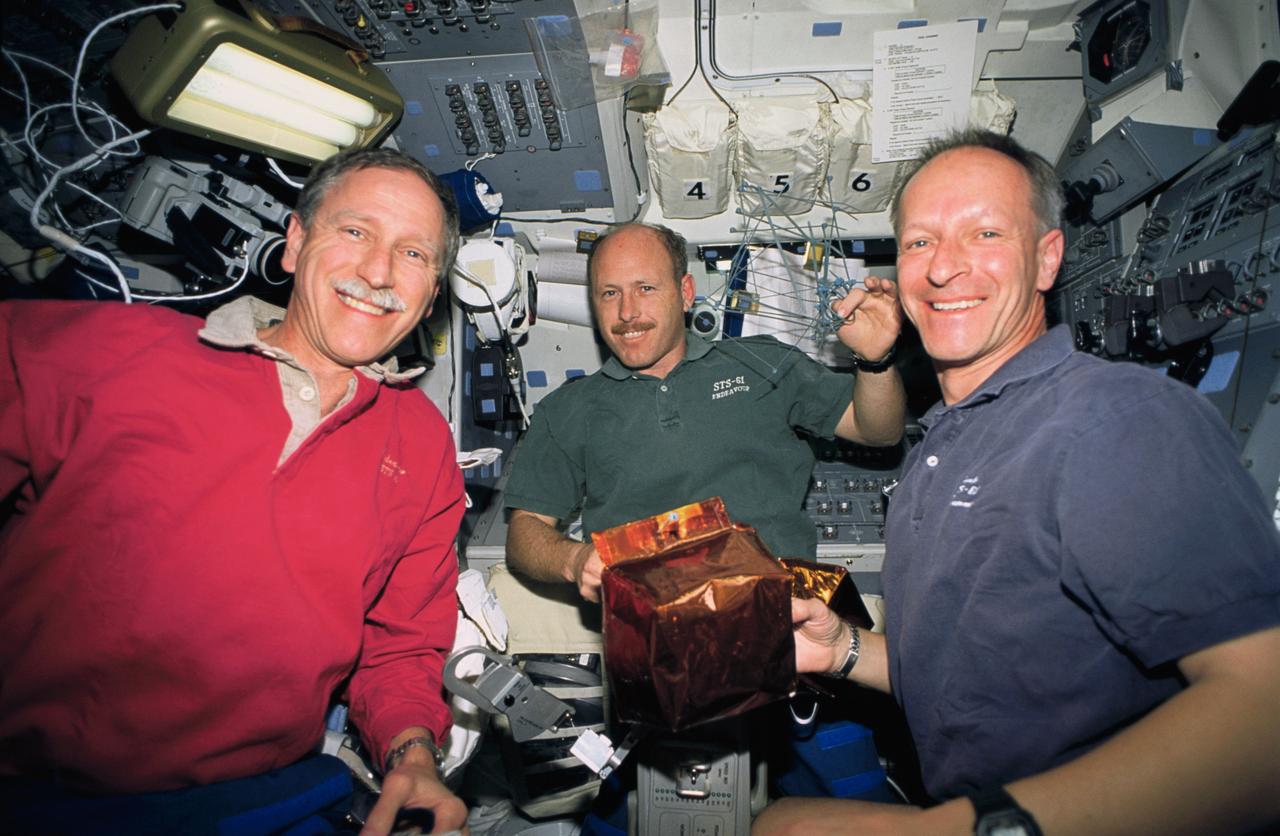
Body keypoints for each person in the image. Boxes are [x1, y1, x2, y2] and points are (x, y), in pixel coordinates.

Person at [756, 129, 1280, 835]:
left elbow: (1262, 717)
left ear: (1047, 258)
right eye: (919, 242)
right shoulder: (950, 436)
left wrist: (942, 831)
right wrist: (843, 652)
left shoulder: (1114, 419)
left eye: (985, 233)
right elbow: (984, 679)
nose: (944, 268)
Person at [0, 147, 470, 835]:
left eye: (413, 254)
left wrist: (412, 755)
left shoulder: (424, 447)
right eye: (355, 231)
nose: (378, 272)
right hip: (35, 795)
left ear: (430, 294)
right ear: (295, 243)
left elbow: (398, 647)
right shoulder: (107, 351)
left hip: (259, 803)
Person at [501, 222, 907, 600]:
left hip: (787, 614)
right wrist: (573, 561)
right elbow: (525, 534)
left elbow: (878, 431)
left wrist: (875, 361)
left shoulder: (761, 364)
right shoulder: (567, 408)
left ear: (686, 292)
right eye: (610, 293)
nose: (627, 313)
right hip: (653, 632)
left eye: (645, 288)